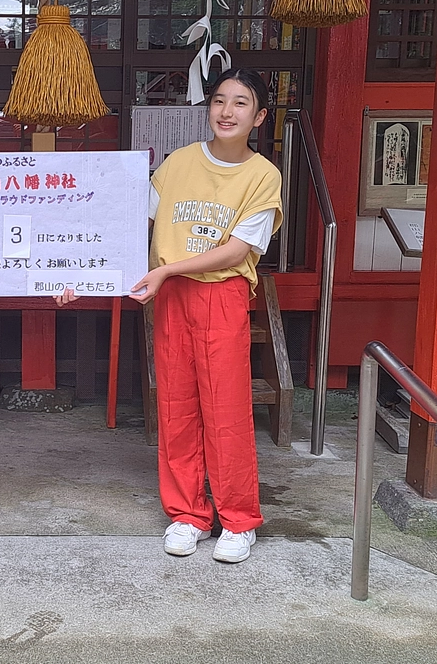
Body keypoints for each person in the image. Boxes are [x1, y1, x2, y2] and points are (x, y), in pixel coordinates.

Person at [129, 68, 283, 563]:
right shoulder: (178, 164)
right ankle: (188, 514)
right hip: (172, 295)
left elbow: (237, 249)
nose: (227, 111)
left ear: (258, 116)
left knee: (228, 410)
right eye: (219, 100)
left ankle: (239, 519)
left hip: (221, 296)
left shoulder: (264, 176)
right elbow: (133, 215)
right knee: (176, 406)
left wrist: (169, 268)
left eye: (241, 103)